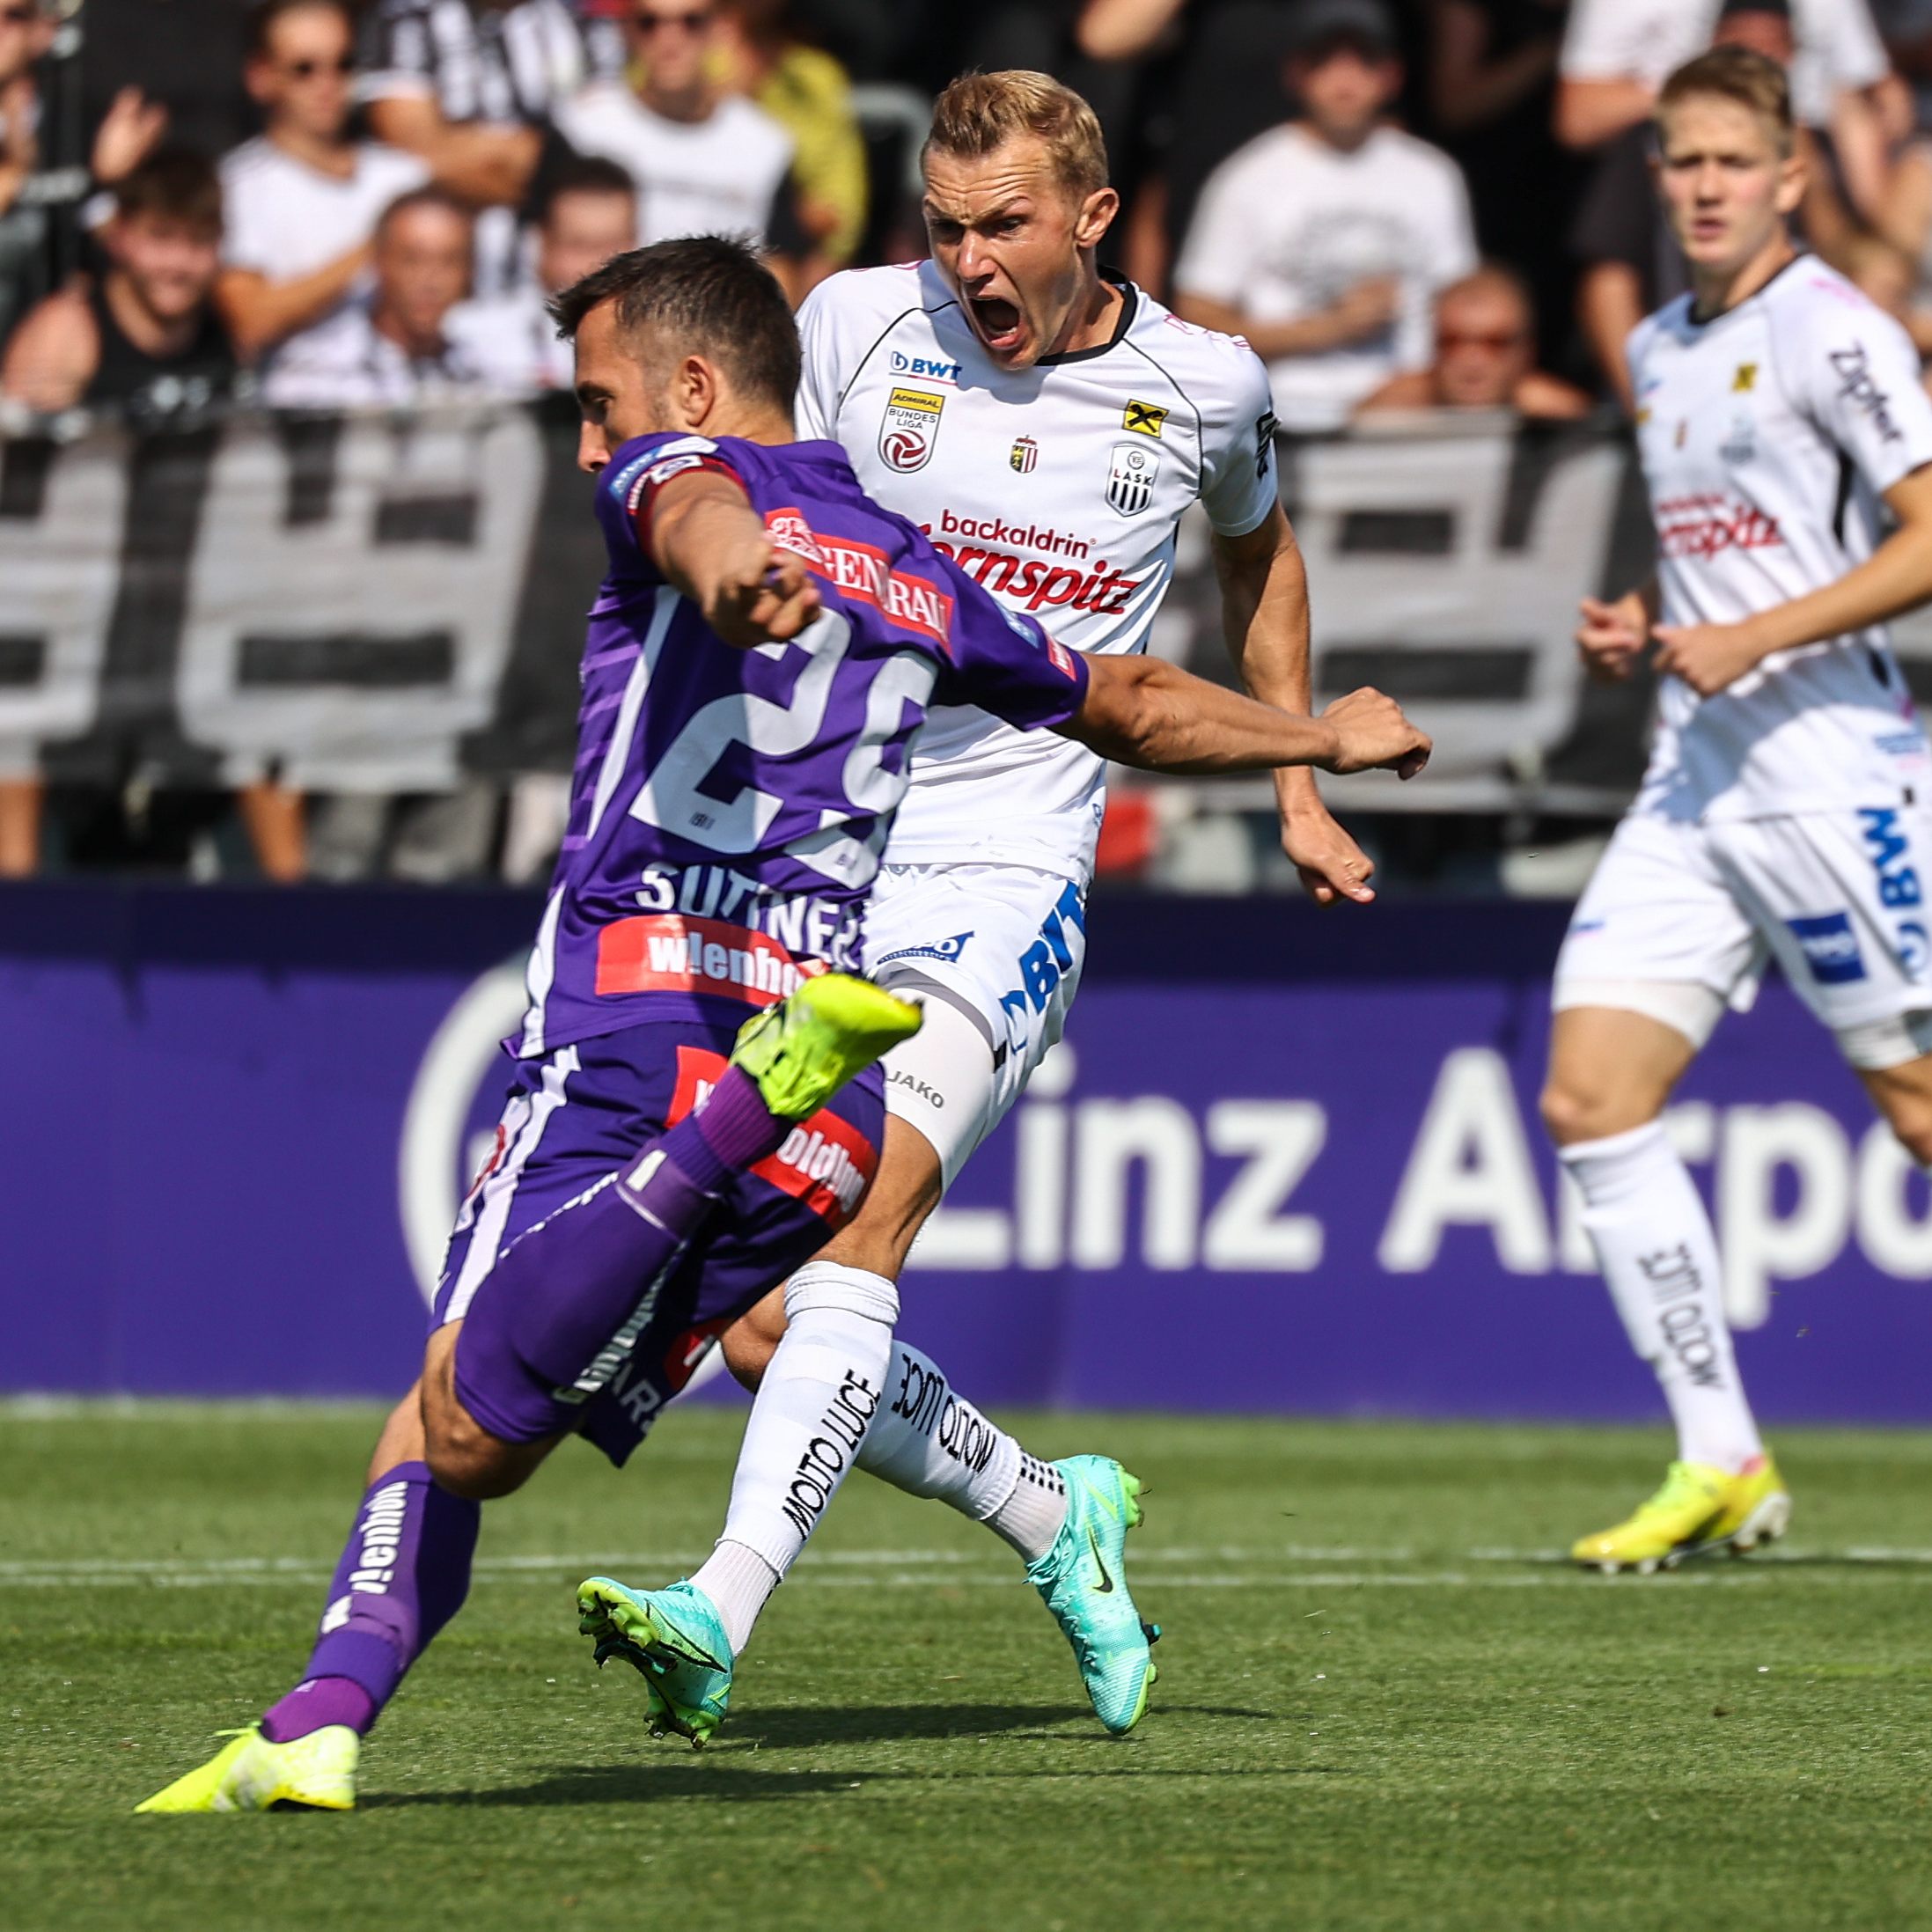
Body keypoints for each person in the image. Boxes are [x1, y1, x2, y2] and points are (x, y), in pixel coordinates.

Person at [134, 233, 1430, 1812]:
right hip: (823, 1107)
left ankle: (322, 1719)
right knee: (694, 1353)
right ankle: (325, 1719)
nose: (595, 443)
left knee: (457, 1417)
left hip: (639, 1022)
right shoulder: (916, 565)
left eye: (601, 405)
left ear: (690, 386)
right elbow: (1133, 702)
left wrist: (731, 567)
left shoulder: (682, 471)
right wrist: (1319, 737)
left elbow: (693, 507)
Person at [631, 68, 1383, 1744]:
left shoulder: (1203, 384)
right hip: (819, 854)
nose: (972, 261)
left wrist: (1297, 785)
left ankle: (717, 1606)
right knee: (764, 1327)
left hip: (1009, 869)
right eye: (950, 227)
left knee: (854, 1228)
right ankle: (1058, 1517)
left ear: (1094, 219)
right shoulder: (849, 324)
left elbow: (1263, 558)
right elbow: (736, 493)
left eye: (1008, 227)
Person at [1543, 47, 1932, 1573]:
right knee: (1590, 1095)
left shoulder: (1837, 335)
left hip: (1831, 770)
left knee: (1914, 1110)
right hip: (1699, 772)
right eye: (1680, 159)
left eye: (1731, 161)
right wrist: (1652, 620)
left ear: (1789, 177)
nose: (1703, 185)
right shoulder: (1655, 344)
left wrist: (1758, 633)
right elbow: (1740, 560)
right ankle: (1720, 1455)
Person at [1172, 0, 1479, 432]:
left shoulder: (1433, 175)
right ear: (1297, 74)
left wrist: (1422, 386)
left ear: (1392, 75)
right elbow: (1195, 317)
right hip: (1283, 421)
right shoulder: (1247, 177)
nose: (1346, 79)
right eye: (1326, 61)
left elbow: (1467, 305)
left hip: (1411, 418)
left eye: (1364, 61)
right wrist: (1327, 328)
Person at [218, 0, 430, 366]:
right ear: (260, 76)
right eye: (305, 69)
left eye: (344, 64)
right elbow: (250, 319)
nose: (328, 84)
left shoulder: (406, 176)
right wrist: (380, 249)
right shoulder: (237, 187)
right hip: (302, 406)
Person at [356, 0, 614, 297]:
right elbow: (408, 156)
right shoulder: (406, 18)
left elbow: (602, 167)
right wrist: (541, 157)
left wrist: (458, 144)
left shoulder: (584, 23)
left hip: (558, 296)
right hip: (443, 299)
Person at [552, 0, 812, 292]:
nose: (670, 40)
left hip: (715, 326)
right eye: (649, 23)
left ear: (722, 29)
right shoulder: (582, 127)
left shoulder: (765, 145)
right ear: (627, 30)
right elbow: (547, 251)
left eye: (692, 22)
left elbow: (782, 270)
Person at [2, 147, 236, 418]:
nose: (178, 263)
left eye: (200, 241)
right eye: (160, 237)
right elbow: (22, 451)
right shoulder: (66, 334)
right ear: (120, 234)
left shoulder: (231, 324)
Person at [261, 186, 483, 408]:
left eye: (449, 262)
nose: (430, 281)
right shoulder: (313, 373)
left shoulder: (483, 368)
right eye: (411, 260)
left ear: (469, 272)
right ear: (379, 262)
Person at [447, 154, 636, 395]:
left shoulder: (663, 342)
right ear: (541, 245)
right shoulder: (473, 341)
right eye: (579, 245)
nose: (600, 266)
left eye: (614, 246)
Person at [1356, 262, 1592, 419]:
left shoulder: (1566, 423)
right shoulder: (1383, 418)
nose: (1471, 362)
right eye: (1453, 341)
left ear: (1527, 352)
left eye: (1495, 343)